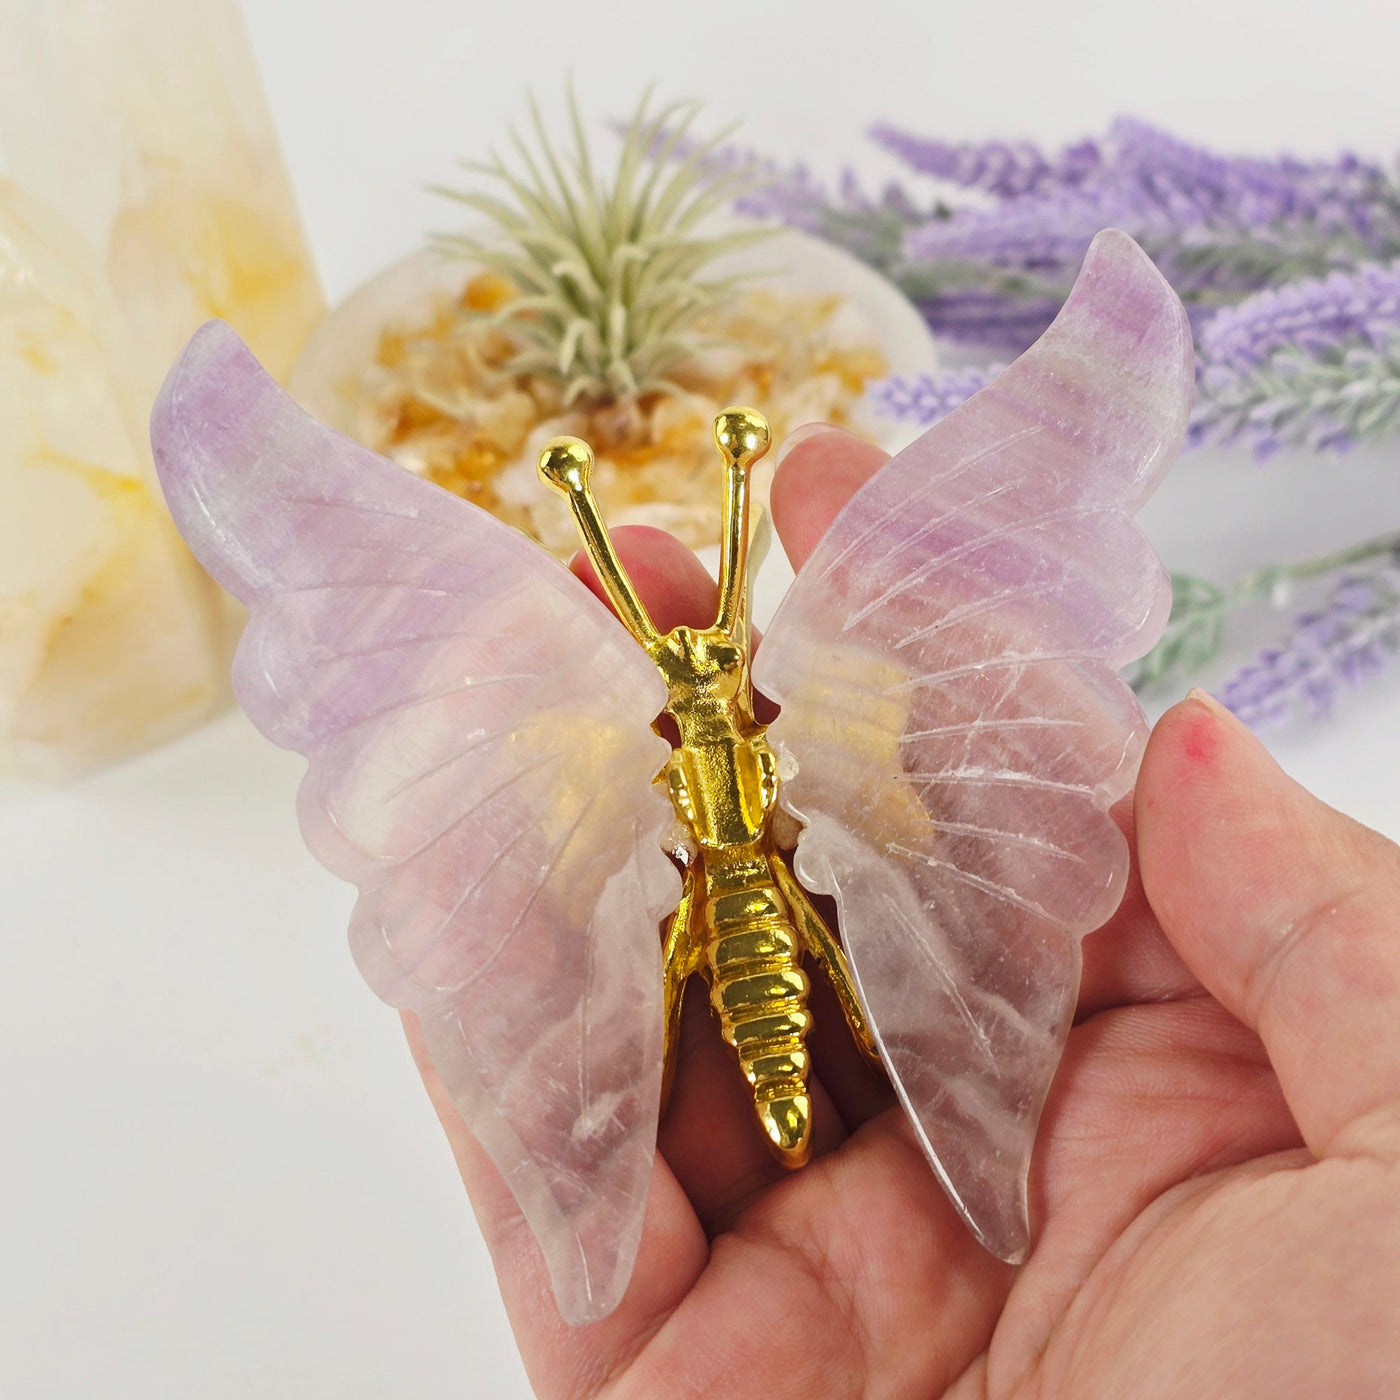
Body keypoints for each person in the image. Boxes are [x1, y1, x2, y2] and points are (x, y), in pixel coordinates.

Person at [403, 425, 1400, 1399]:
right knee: (687, 1005)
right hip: (749, 900)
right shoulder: (747, 737)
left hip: (761, 902)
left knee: (754, 988)